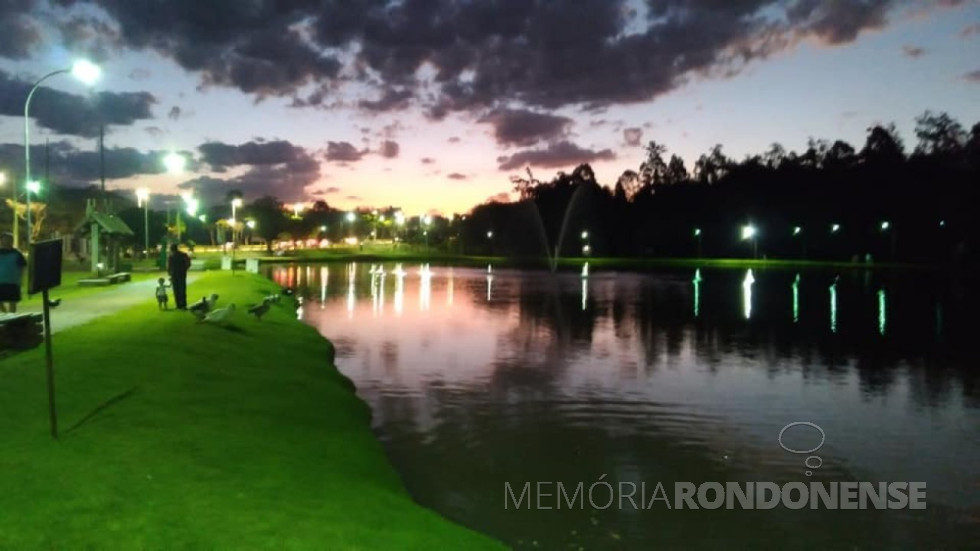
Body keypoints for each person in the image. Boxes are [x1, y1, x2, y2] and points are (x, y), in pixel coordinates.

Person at [0, 232, 27, 313]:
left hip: (13, 282)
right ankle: (5, 314)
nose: (6, 241)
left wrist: (21, 279)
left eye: (9, 239)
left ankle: (12, 317)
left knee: (12, 301)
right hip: (0, 281)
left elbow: (22, 266)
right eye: (4, 239)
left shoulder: (17, 253)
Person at [167, 244, 191, 310]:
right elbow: (188, 263)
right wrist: (185, 269)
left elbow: (169, 266)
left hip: (174, 274)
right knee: (182, 289)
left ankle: (178, 305)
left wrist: (169, 273)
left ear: (171, 249)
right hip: (182, 274)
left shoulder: (171, 256)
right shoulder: (183, 255)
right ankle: (183, 304)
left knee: (176, 290)